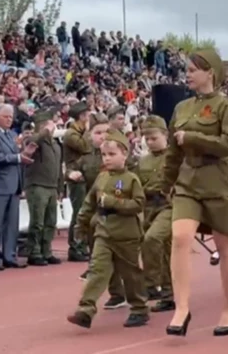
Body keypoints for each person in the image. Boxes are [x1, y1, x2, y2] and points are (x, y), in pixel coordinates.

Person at [161, 49, 228, 337]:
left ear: (210, 73)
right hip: (188, 183)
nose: (189, 73)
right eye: (188, 69)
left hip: (220, 184)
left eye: (194, 69)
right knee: (180, 236)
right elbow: (173, 151)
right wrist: (165, 183)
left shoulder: (225, 107)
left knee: (225, 247)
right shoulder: (181, 108)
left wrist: (194, 138)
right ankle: (182, 308)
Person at [66, 128, 149, 329]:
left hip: (126, 234)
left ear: (125, 155)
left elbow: (138, 204)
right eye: (104, 155)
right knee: (97, 269)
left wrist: (113, 202)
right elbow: (89, 203)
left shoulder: (131, 179)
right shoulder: (101, 178)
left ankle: (139, 308)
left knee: (130, 274)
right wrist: (81, 224)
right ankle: (86, 309)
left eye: (112, 154)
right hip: (104, 232)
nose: (107, 159)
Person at [0, 104, 32, 270]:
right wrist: (18, 157)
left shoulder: (12, 134)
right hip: (0, 183)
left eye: (11, 117)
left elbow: (16, 156)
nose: (9, 120)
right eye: (6, 116)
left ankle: (9, 255)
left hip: (14, 184)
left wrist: (25, 153)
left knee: (12, 223)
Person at [137, 115, 177, 312]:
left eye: (154, 138)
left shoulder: (176, 158)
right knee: (163, 253)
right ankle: (168, 296)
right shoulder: (142, 162)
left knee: (152, 239)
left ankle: (150, 284)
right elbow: (128, 182)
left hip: (169, 206)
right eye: (147, 139)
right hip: (147, 206)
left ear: (165, 135)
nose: (150, 142)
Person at [24, 110, 64, 266]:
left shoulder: (55, 144)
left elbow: (59, 167)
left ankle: (46, 251)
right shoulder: (35, 140)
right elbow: (30, 141)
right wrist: (43, 132)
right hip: (37, 185)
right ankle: (34, 252)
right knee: (37, 221)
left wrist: (60, 188)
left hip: (52, 186)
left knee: (50, 222)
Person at [63, 101, 92, 262]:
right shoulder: (71, 134)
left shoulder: (78, 132)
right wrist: (89, 132)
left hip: (85, 176)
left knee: (85, 212)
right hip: (76, 177)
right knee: (79, 213)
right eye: (87, 116)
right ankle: (75, 246)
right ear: (81, 117)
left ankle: (82, 245)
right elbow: (86, 147)